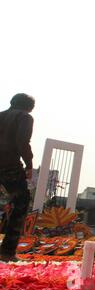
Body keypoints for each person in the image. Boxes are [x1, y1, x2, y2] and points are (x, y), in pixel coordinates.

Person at [0, 93, 35, 262]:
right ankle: (7, 251)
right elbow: (22, 142)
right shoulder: (25, 117)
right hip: (9, 166)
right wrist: (29, 165)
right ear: (30, 107)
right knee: (21, 203)